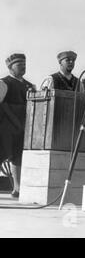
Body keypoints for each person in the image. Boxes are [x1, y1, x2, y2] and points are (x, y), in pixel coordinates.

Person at [0, 54, 35, 197]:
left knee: (18, 157)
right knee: (2, 154)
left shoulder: (30, 86)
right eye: (19, 64)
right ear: (10, 67)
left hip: (23, 127)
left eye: (24, 63)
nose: (23, 66)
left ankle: (18, 188)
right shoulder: (4, 83)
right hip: (5, 127)